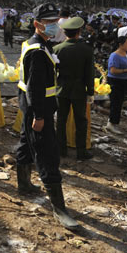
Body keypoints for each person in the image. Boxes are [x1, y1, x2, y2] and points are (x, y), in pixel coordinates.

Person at [14, 3, 78, 229]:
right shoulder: (38, 52)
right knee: (47, 155)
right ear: (36, 24)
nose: (54, 26)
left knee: (26, 143)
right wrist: (39, 116)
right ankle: (60, 209)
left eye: (55, 21)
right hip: (38, 109)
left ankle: (24, 184)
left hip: (29, 107)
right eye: (48, 22)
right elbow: (35, 87)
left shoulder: (36, 44)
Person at [53, 16, 95, 161]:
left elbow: (53, 72)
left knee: (61, 120)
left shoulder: (57, 49)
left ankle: (61, 149)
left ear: (65, 33)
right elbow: (89, 73)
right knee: (81, 121)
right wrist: (90, 92)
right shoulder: (87, 50)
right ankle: (81, 151)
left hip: (61, 89)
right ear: (79, 32)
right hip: (79, 90)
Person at [105, 35, 127, 135]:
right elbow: (112, 70)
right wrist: (125, 70)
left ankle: (114, 122)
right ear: (121, 44)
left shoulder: (126, 54)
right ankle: (111, 123)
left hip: (123, 81)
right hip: (115, 81)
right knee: (115, 102)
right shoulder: (115, 55)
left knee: (119, 102)